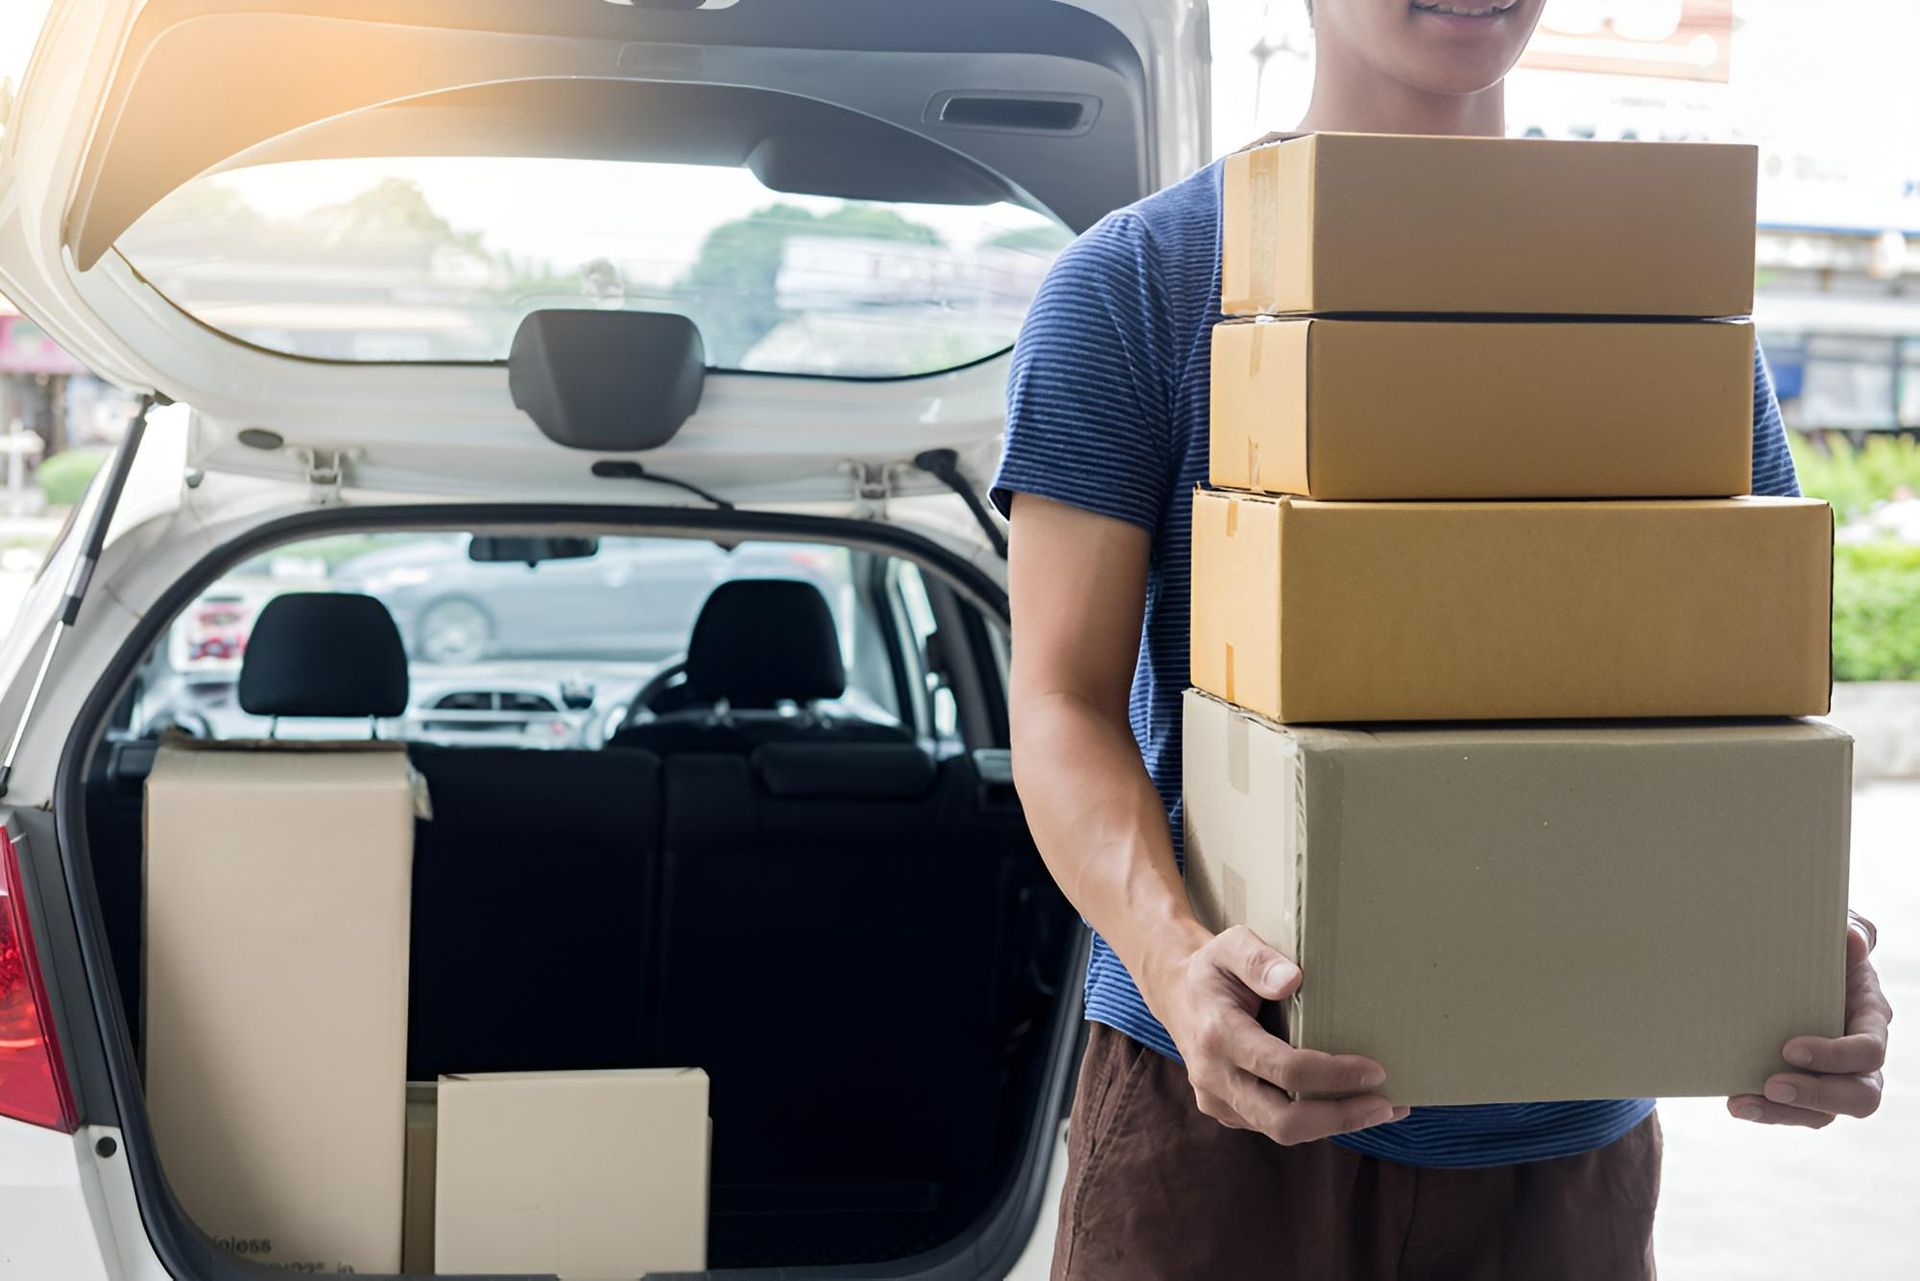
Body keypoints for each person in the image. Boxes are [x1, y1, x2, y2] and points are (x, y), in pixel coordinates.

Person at [994, 1, 1894, 1277]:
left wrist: (1799, 946)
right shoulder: (1140, 281)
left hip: (1566, 1141)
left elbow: (1736, 704)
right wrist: (1178, 961)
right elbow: (1062, 704)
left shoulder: (1661, 307)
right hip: (1228, 1123)